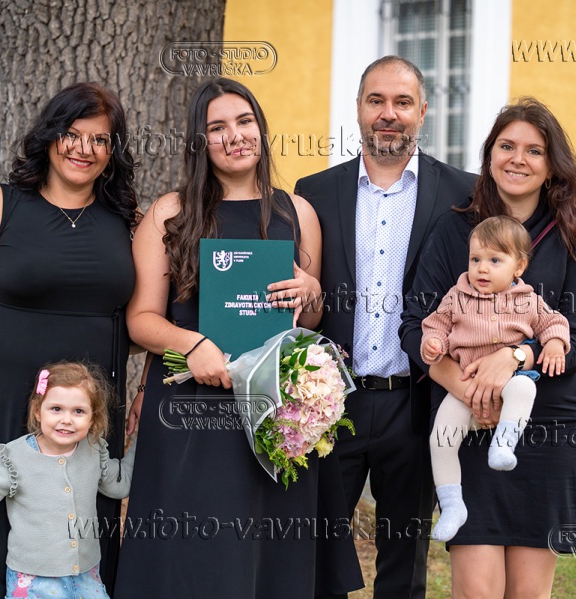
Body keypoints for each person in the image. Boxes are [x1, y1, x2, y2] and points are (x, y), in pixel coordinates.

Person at [116, 76, 360, 598]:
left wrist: (312, 292)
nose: (235, 136)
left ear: (261, 129)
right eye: (217, 128)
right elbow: (140, 319)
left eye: (245, 121)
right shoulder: (170, 213)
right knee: (197, 553)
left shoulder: (298, 212)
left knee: (273, 551)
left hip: (276, 410)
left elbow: (308, 324)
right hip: (191, 411)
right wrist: (192, 344)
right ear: (199, 141)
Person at [0, 82, 138, 599]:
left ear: (113, 151)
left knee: (85, 521)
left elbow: (147, 318)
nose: (84, 149)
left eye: (100, 139)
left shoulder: (127, 223)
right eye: (72, 134)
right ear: (49, 135)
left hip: (89, 405)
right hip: (5, 395)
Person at [400, 97, 576, 598]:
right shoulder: (456, 229)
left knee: (528, 593)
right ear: (490, 154)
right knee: (477, 590)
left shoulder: (572, 234)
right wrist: (467, 389)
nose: (518, 159)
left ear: (551, 166)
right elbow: (413, 328)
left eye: (534, 151)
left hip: (548, 425)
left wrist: (516, 357)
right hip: (468, 425)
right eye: (506, 146)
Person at [294, 55, 477, 599]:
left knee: (405, 564)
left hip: (415, 401)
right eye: (376, 100)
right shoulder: (314, 191)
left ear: (423, 111)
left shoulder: (463, 194)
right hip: (332, 402)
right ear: (358, 109)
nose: (388, 114)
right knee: (317, 558)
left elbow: (501, 274)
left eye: (402, 102)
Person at [0, 362, 137, 599]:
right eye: (56, 409)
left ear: (92, 418)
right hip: (34, 583)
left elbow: (119, 484)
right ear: (38, 411)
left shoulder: (92, 450)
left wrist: (144, 437)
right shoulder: (14, 459)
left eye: (78, 411)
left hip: (87, 578)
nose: (67, 419)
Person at [419, 215, 570, 542]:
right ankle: (452, 505)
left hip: (508, 383)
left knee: (525, 387)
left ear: (519, 266)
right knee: (440, 440)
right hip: (463, 388)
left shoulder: (528, 300)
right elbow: (435, 326)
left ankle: (504, 443)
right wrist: (433, 343)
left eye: (494, 260)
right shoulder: (456, 297)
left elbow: (554, 323)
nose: (482, 269)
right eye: (475, 259)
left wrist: (555, 344)